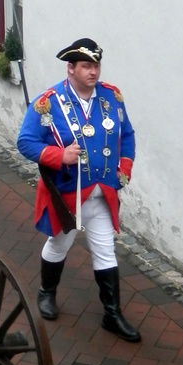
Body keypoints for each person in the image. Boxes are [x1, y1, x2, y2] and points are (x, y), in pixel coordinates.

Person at [16, 37, 139, 343]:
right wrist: (60, 156)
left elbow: (127, 136)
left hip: (102, 194)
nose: (93, 72)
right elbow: (26, 142)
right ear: (71, 68)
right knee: (59, 245)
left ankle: (112, 314)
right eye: (86, 66)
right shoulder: (48, 102)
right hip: (68, 195)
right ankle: (47, 292)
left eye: (95, 65)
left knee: (105, 250)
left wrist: (124, 169)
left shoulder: (112, 98)